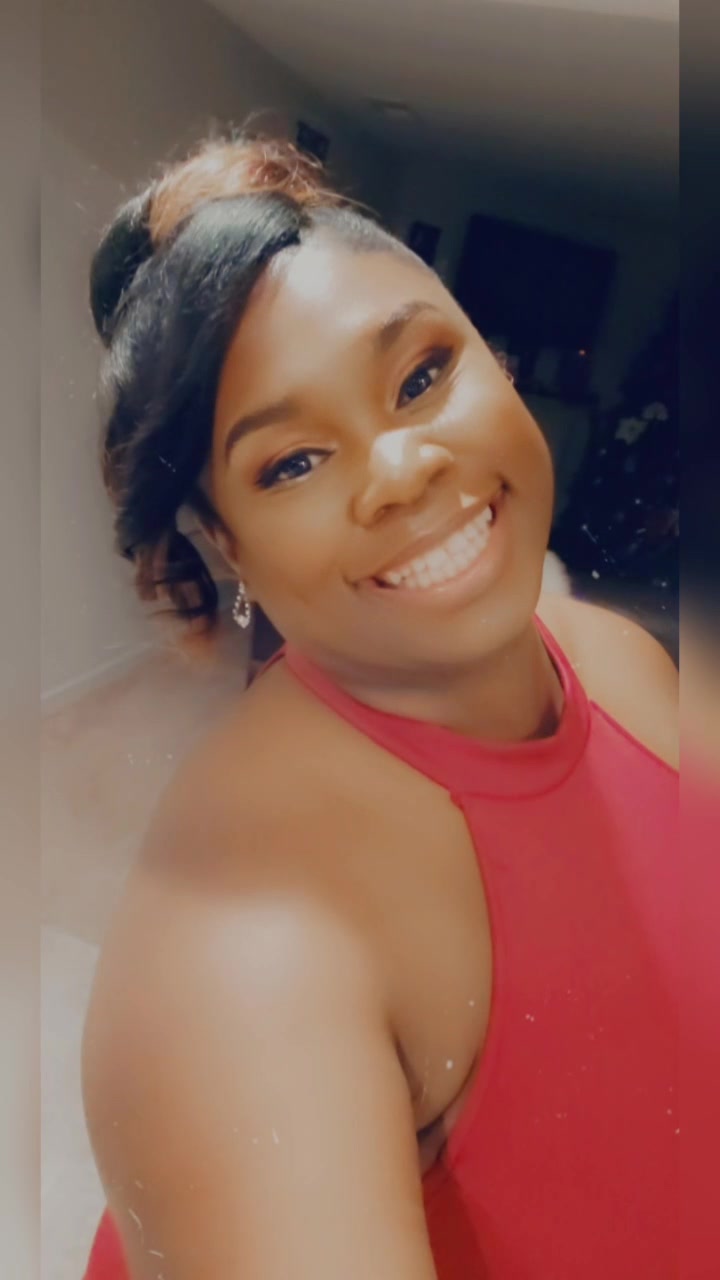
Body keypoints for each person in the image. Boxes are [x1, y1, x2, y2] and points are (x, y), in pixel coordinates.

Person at [81, 136, 681, 1280]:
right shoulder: (235, 950)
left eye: (421, 376)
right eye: (292, 462)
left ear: (498, 362)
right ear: (226, 545)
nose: (402, 468)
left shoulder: (625, 661)